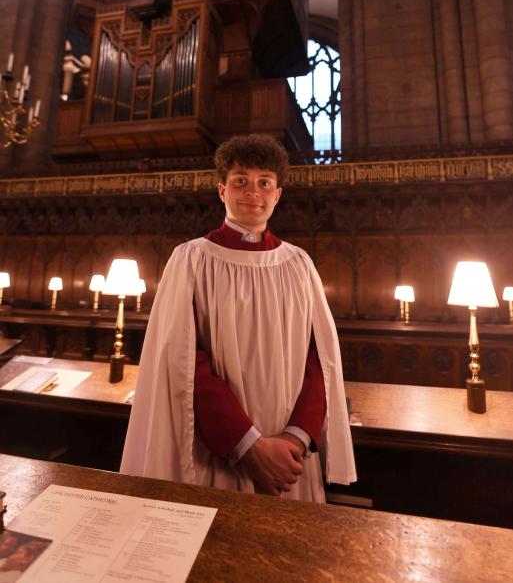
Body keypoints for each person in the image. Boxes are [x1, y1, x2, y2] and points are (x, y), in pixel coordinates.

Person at [121, 134, 355, 501]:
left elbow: (319, 359)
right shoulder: (192, 260)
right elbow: (182, 362)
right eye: (240, 181)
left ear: (277, 195)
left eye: (264, 183)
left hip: (288, 462)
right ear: (222, 191)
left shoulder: (298, 264)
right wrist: (248, 446)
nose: (253, 192)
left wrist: (295, 437)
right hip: (218, 454)